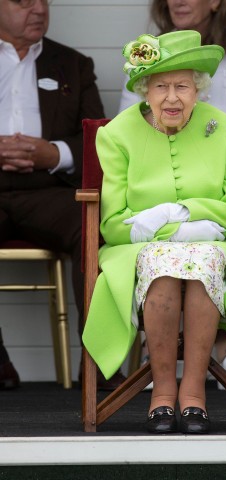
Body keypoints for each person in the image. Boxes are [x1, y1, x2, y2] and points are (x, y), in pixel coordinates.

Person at [82, 29, 226, 434]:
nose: (172, 98)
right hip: (136, 251)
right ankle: (162, 393)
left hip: (217, 245)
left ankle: (194, 395)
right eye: (162, 86)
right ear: (143, 90)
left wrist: (172, 212)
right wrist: (193, 225)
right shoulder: (115, 135)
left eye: (183, 86)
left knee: (201, 266)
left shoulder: (225, 127)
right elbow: (115, 224)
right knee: (166, 271)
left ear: (199, 89)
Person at [118, 0, 226, 391]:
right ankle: (165, 361)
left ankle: (218, 350)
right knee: (171, 262)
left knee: (204, 258)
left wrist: (220, 182)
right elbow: (131, 139)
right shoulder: (145, 58)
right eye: (162, 86)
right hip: (151, 214)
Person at [0, 0, 125, 390]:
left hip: (47, 191)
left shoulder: (72, 64)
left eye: (43, 0)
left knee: (91, 224)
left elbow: (100, 141)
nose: (37, 9)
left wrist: (54, 153)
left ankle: (100, 362)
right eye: (23, 1)